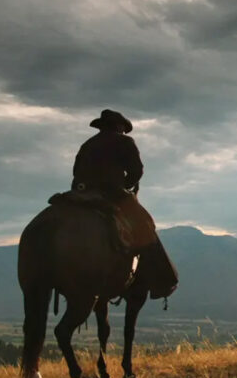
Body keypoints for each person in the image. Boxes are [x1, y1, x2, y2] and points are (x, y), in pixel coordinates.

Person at [70, 109, 178, 299]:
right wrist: (125, 186)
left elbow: (76, 171)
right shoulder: (124, 142)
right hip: (111, 193)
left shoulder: (88, 144)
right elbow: (137, 171)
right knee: (145, 224)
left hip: (80, 193)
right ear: (119, 126)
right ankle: (163, 280)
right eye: (123, 128)